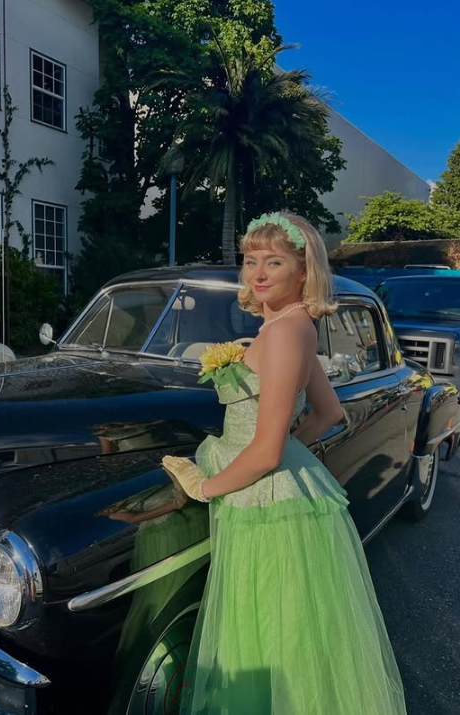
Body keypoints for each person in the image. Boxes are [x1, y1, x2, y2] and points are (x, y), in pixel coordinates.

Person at [162, 212, 407, 715]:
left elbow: (267, 451)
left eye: (274, 261)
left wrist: (203, 486)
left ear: (304, 270)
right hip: (280, 491)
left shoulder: (282, 334)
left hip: (264, 500)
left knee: (265, 627)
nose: (258, 272)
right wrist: (294, 445)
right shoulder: (294, 327)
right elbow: (329, 413)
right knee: (292, 627)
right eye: (251, 260)